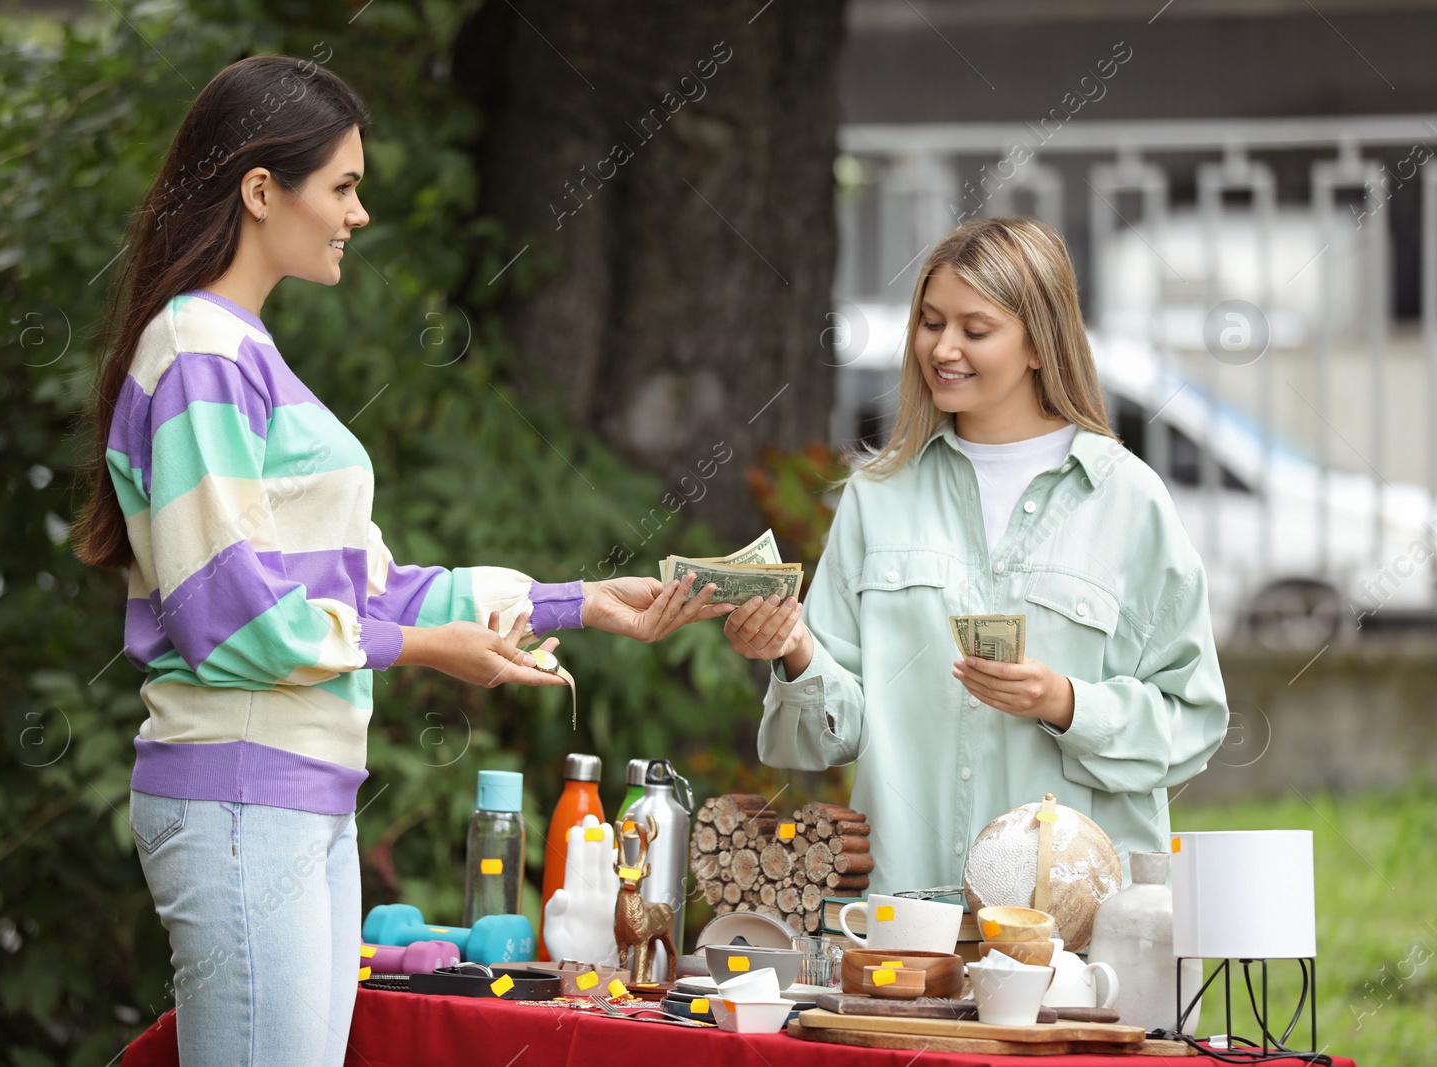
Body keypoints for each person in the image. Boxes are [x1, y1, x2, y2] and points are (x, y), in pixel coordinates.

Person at [72, 56, 730, 1067]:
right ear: (261, 191)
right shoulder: (200, 350)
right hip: (245, 799)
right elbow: (231, 617)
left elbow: (364, 590)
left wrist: (583, 603)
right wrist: (429, 650)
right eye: (341, 185)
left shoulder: (239, 351)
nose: (359, 212)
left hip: (296, 803)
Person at [723, 217, 1229, 894]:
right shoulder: (877, 496)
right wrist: (794, 651)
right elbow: (821, 739)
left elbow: (1193, 724)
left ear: (1039, 345)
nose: (943, 347)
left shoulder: (1130, 502)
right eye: (931, 322)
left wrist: (1065, 701)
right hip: (908, 918)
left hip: (1076, 935)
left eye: (975, 328)